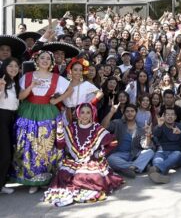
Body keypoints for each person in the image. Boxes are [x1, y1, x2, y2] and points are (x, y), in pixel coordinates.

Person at [11, 50, 72, 194]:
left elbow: (70, 90)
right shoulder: (27, 76)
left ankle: (44, 179)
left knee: (45, 147)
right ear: (36, 61)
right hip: (28, 111)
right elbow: (20, 96)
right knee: (28, 145)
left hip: (48, 112)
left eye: (48, 59)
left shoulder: (57, 78)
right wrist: (31, 86)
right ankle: (30, 179)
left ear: (51, 63)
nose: (45, 60)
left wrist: (56, 100)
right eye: (42, 58)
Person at [42, 103, 123, 206]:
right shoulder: (71, 128)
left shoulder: (97, 128)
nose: (85, 115)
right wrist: (59, 131)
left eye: (88, 113)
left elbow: (112, 142)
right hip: (74, 161)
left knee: (94, 177)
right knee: (63, 175)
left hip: (91, 161)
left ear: (92, 114)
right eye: (82, 112)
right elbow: (60, 146)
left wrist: (99, 154)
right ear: (78, 114)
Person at [102, 104, 154, 177]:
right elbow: (103, 127)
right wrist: (111, 112)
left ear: (136, 113)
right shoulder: (118, 123)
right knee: (110, 159)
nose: (130, 113)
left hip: (134, 154)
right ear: (124, 113)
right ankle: (137, 167)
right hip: (119, 154)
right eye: (127, 111)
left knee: (150, 152)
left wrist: (148, 135)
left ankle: (128, 168)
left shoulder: (140, 128)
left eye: (132, 111)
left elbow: (145, 146)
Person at [149, 108, 181, 184]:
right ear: (164, 116)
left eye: (172, 114)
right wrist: (159, 126)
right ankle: (159, 175)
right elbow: (155, 134)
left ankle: (157, 169)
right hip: (162, 151)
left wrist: (180, 133)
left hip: (175, 155)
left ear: (175, 117)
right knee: (157, 158)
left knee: (177, 154)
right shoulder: (161, 126)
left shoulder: (179, 125)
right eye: (167, 114)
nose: (170, 116)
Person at [0, 58, 20, 194]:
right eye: (10, 66)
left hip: (10, 119)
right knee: (5, 155)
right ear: (5, 67)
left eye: (16, 66)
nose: (13, 68)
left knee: (8, 154)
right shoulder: (2, 81)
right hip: (1, 118)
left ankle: (2, 184)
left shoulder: (15, 83)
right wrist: (1, 88)